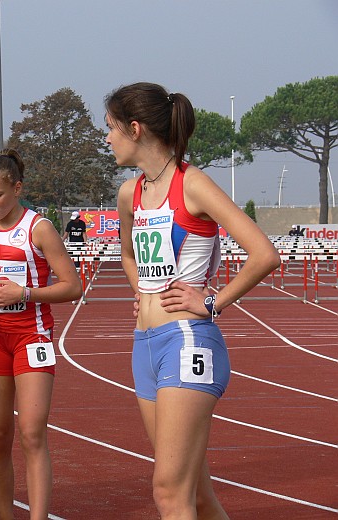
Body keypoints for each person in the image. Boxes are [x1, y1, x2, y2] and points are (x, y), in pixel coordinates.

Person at [108, 82, 280, 519]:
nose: (106, 139)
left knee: (169, 493)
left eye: (110, 128)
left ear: (135, 128)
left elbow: (264, 254)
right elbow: (129, 254)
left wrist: (212, 302)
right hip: (144, 346)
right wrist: (143, 291)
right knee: (197, 495)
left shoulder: (194, 184)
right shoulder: (130, 193)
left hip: (188, 342)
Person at [0, 149, 82, 519]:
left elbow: (72, 286)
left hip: (32, 338)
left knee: (31, 433)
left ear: (17, 188)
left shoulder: (37, 229)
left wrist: (25, 293)